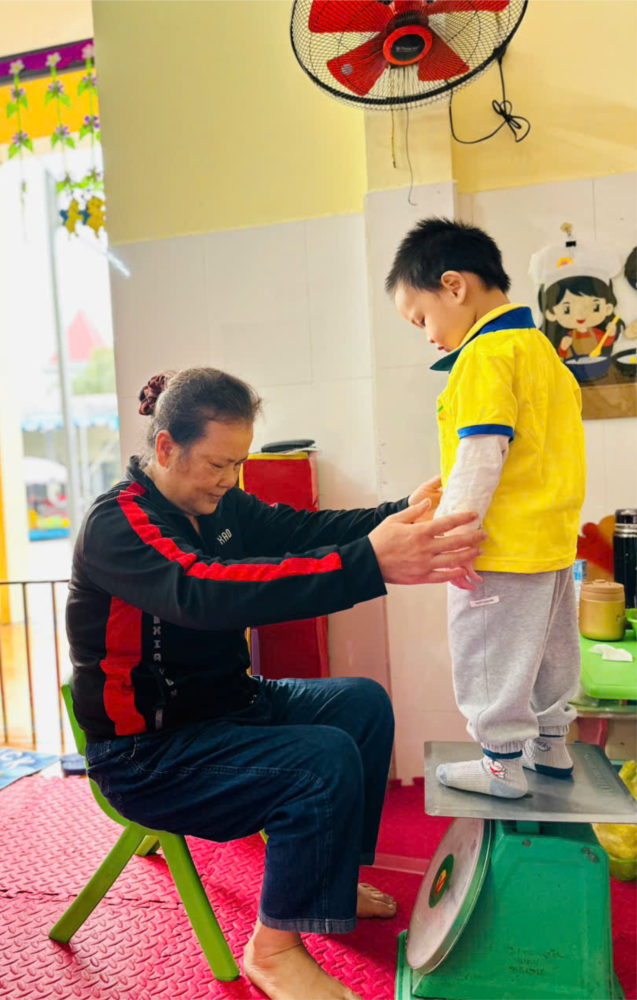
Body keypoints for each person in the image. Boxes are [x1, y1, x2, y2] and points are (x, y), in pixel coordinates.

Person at [66, 366, 485, 1000]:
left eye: (238, 464)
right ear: (166, 448)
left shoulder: (221, 504)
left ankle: (329, 883)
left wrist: (402, 515)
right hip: (146, 755)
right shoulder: (118, 524)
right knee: (321, 760)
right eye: (218, 464)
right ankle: (274, 949)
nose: (229, 479)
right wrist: (370, 563)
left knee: (361, 705)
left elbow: (303, 532)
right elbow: (204, 591)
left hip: (229, 708)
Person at [386, 217, 586, 801]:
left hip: (496, 546)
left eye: (421, 319)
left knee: (489, 652)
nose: (427, 336)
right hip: (552, 542)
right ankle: (549, 744)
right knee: (549, 650)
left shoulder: (485, 356)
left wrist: (451, 539)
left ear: (453, 286)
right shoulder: (543, 352)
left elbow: (480, 455)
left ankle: (500, 764)